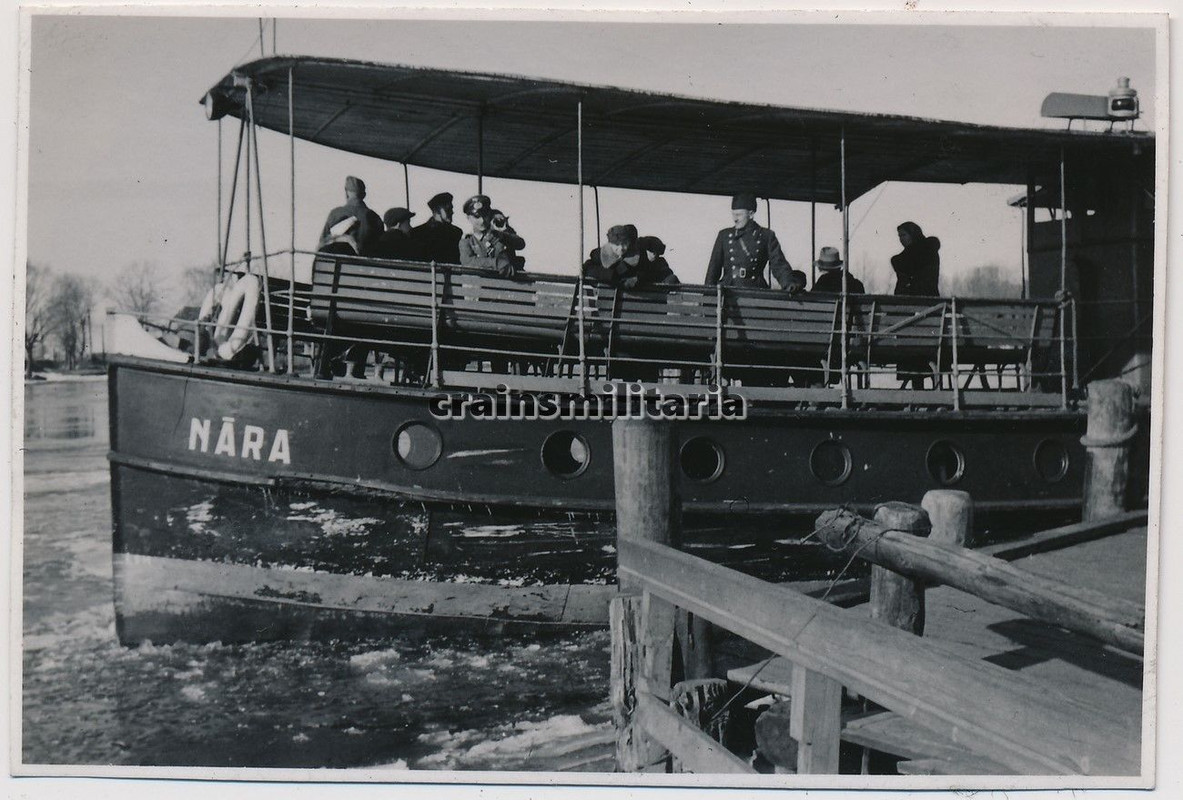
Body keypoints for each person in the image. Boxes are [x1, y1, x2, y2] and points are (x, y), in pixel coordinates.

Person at [704, 193, 806, 292]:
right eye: (733, 214)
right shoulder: (724, 235)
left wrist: (788, 283)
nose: (735, 219)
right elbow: (713, 269)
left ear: (751, 214)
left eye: (739, 215)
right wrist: (707, 295)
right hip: (729, 290)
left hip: (755, 290)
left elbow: (778, 263)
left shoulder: (766, 235)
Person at [458, 195, 524, 277]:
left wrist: (503, 234)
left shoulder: (500, 232)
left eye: (485, 215)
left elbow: (520, 244)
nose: (482, 221)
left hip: (508, 284)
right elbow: (468, 262)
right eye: (477, 217)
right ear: (468, 218)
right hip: (482, 286)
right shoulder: (467, 241)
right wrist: (496, 263)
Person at [318, 176, 383, 256]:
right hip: (364, 265)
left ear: (346, 193)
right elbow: (380, 248)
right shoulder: (374, 217)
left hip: (335, 264)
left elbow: (322, 243)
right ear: (364, 194)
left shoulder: (335, 213)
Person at [890, 221, 941, 296]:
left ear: (913, 235)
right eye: (899, 236)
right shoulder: (907, 256)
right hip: (910, 300)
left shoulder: (926, 251)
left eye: (904, 235)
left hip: (920, 300)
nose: (901, 239)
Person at [412, 192, 464, 264]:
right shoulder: (418, 233)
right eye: (448, 209)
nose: (452, 212)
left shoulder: (456, 232)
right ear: (437, 211)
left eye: (451, 209)